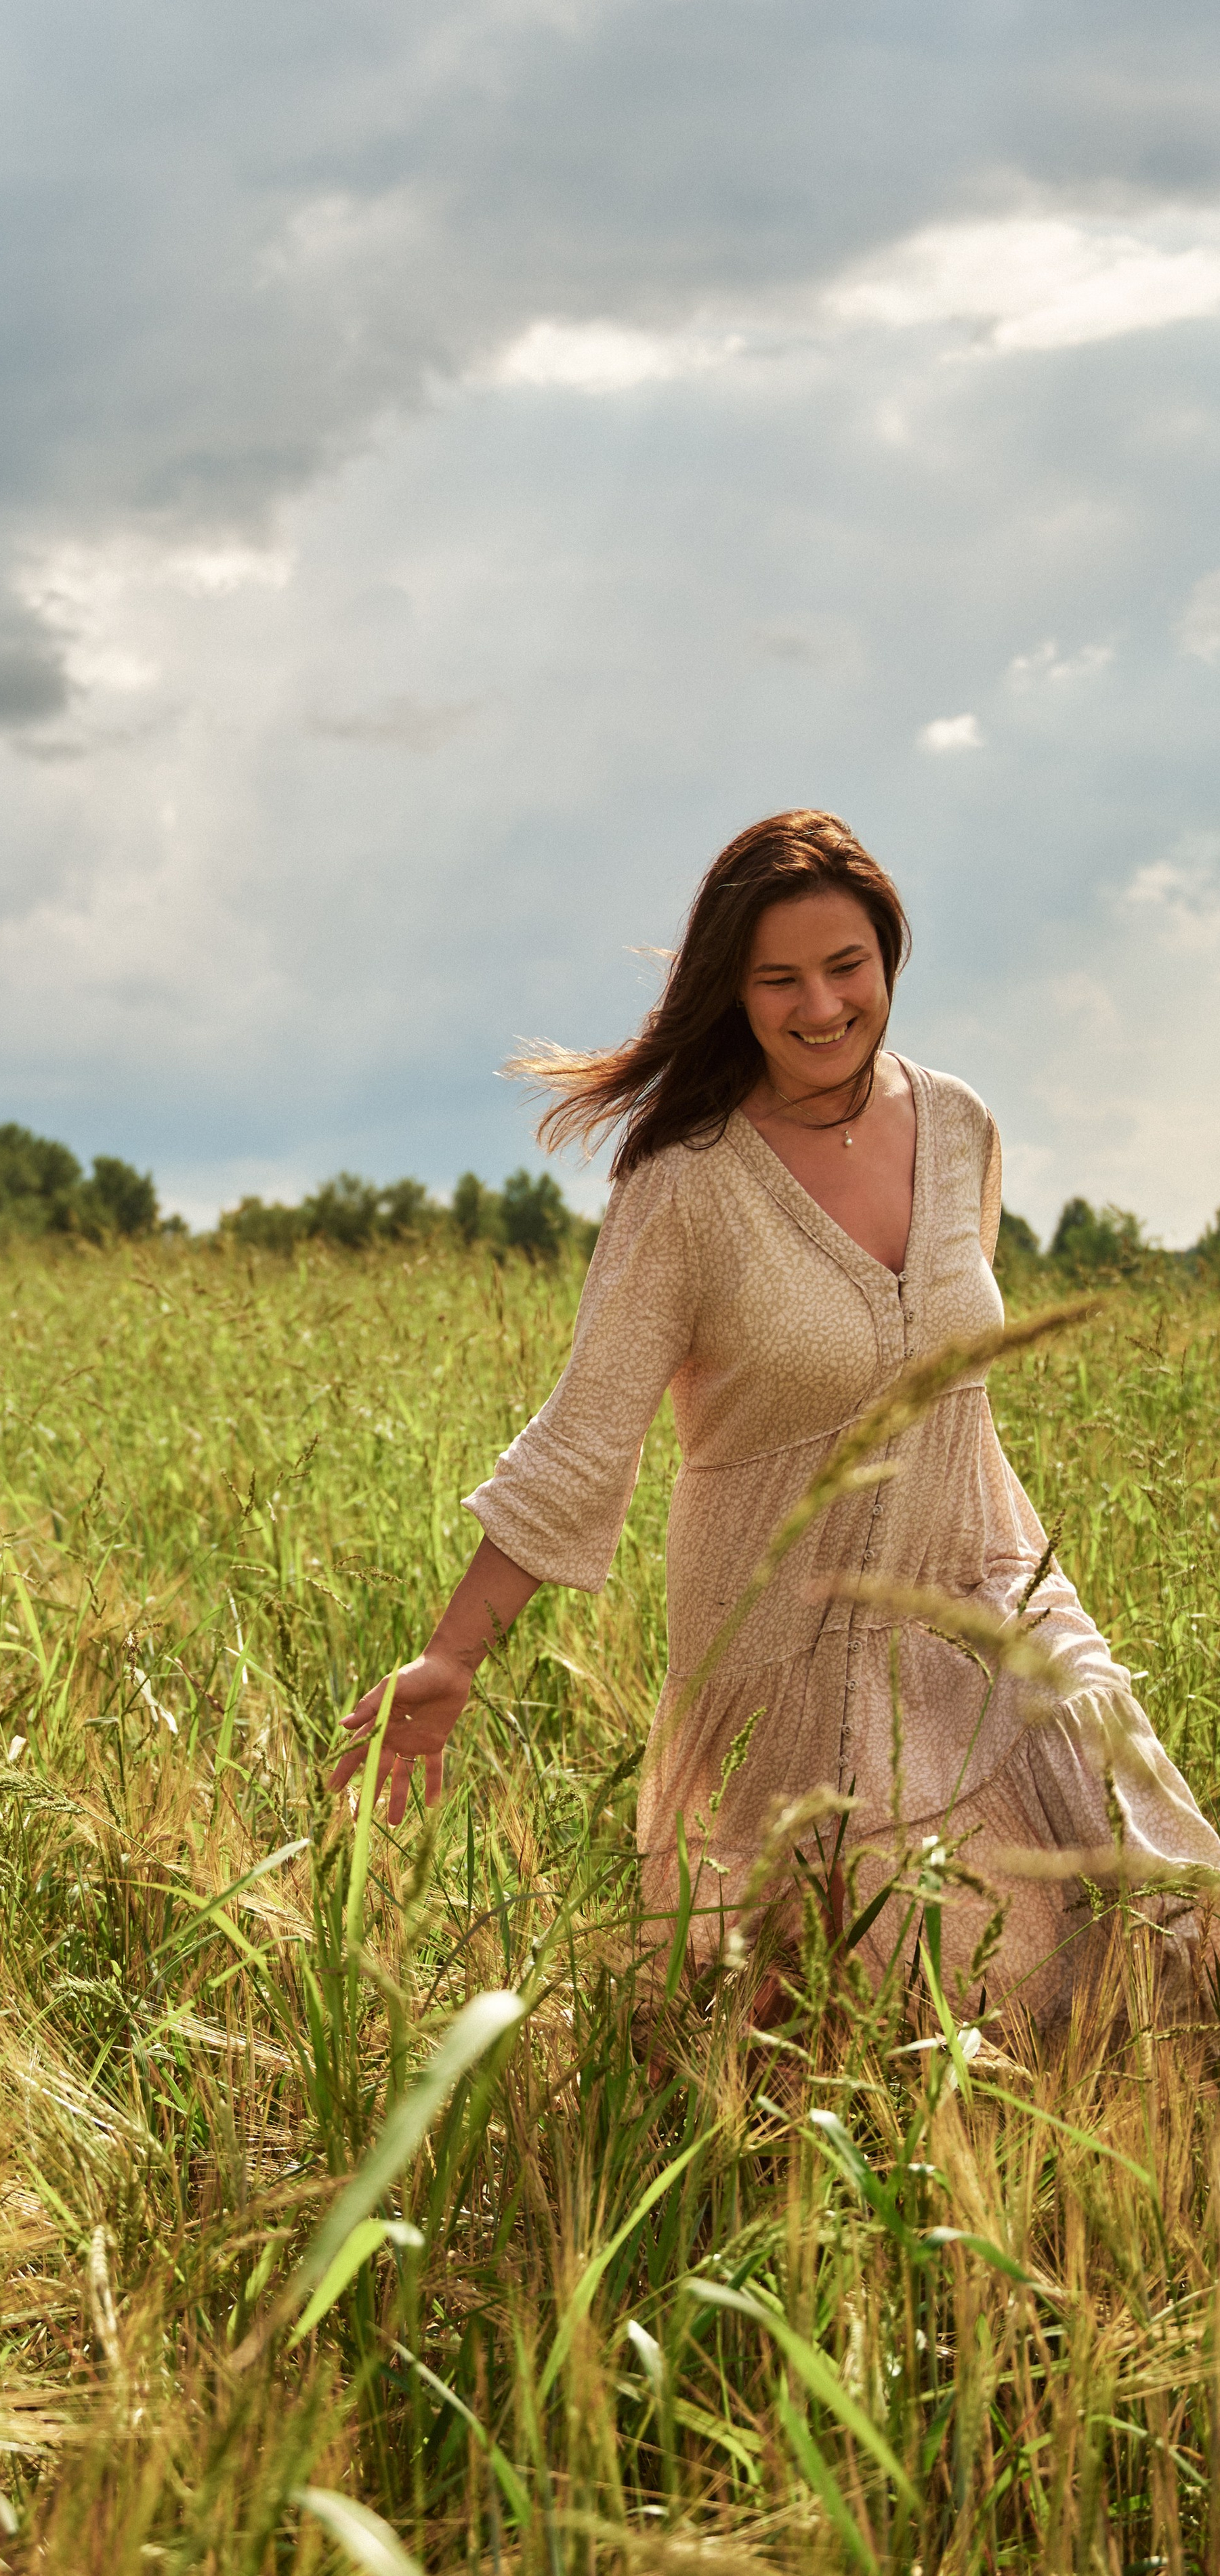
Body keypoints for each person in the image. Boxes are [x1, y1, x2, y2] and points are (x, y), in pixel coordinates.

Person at [331, 809, 1220, 2025]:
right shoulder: (686, 1182)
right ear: (733, 995)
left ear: (889, 960)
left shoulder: (958, 1127)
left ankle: (1099, 2183)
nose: (821, 1006)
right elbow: (586, 1437)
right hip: (789, 1635)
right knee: (866, 1994)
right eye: (779, 979)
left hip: (985, 1576)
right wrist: (452, 1656)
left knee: (1150, 1874)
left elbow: (950, 1370)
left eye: (846, 966)